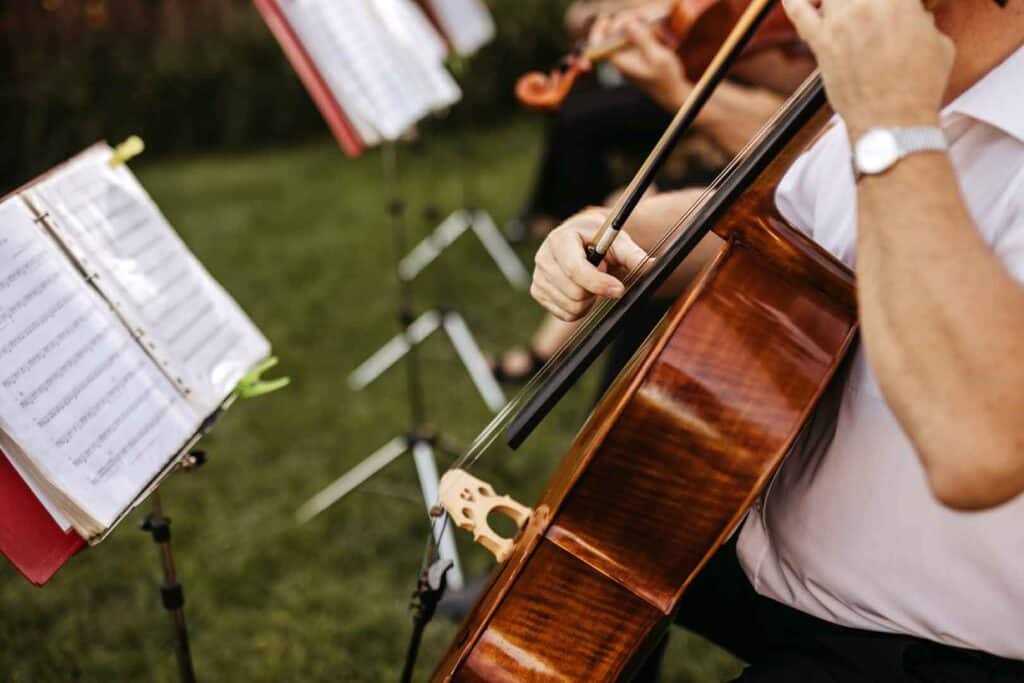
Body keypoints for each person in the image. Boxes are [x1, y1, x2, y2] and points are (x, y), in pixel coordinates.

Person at [530, 0, 1024, 679]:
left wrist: (892, 133)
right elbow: (780, 233)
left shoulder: (891, 95)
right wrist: (616, 226)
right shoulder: (883, 75)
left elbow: (981, 448)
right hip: (772, 570)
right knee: (586, 548)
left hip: (924, 650)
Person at [497, 8, 812, 382]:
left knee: (647, 293)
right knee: (631, 234)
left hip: (758, 151)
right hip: (740, 149)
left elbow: (806, 142)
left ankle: (547, 352)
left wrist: (679, 87)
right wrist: (597, 224)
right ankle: (549, 346)